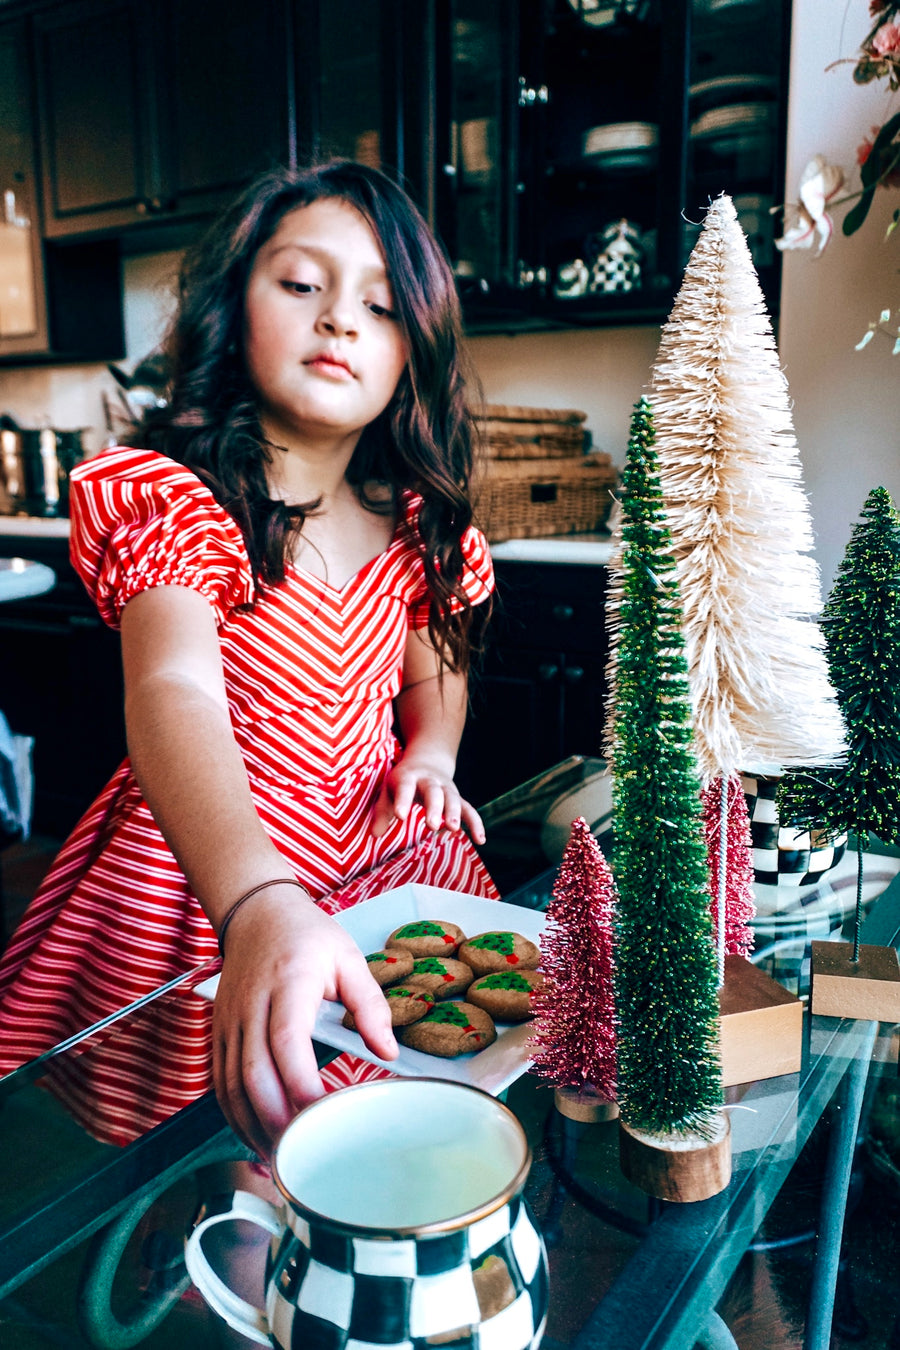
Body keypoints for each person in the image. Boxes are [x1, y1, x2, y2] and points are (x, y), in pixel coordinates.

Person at [0, 161, 498, 1159]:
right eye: (302, 284)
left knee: (371, 1116)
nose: (340, 321)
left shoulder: (414, 528)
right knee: (212, 1145)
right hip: (207, 875)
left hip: (373, 856)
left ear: (416, 350)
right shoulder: (181, 507)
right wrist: (257, 899)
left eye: (382, 304)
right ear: (236, 305)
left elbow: (434, 662)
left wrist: (433, 752)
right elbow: (173, 684)